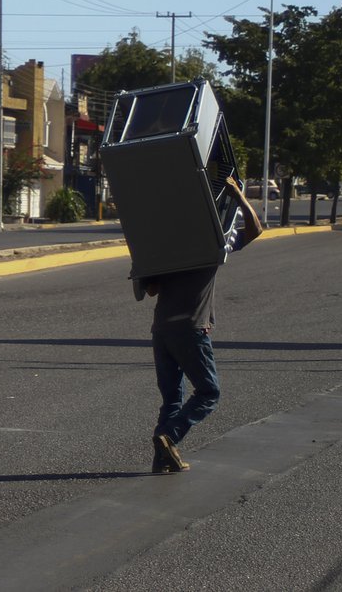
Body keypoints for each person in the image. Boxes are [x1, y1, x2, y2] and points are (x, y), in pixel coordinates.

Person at [145, 176, 263, 473]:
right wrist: (237, 195)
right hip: (191, 328)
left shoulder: (165, 245)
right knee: (209, 393)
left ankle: (163, 460)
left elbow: (151, 289)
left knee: (172, 398)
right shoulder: (214, 240)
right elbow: (255, 229)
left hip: (161, 329)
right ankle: (169, 436)